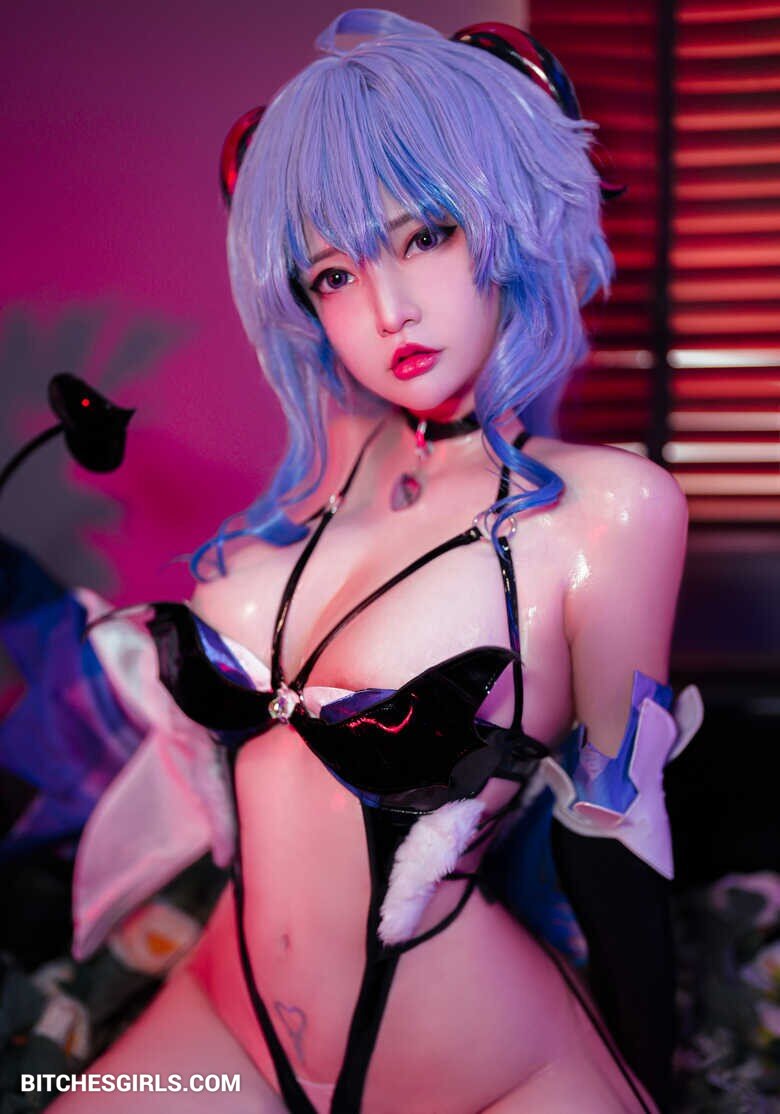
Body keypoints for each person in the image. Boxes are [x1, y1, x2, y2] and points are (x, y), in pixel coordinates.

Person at [53, 11, 702, 1112]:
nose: (387, 309)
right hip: (223, 1015)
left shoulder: (609, 511)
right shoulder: (325, 486)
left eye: (426, 236)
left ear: (510, 220)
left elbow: (617, 846)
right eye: (332, 275)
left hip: (476, 1061)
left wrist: (652, 1077)